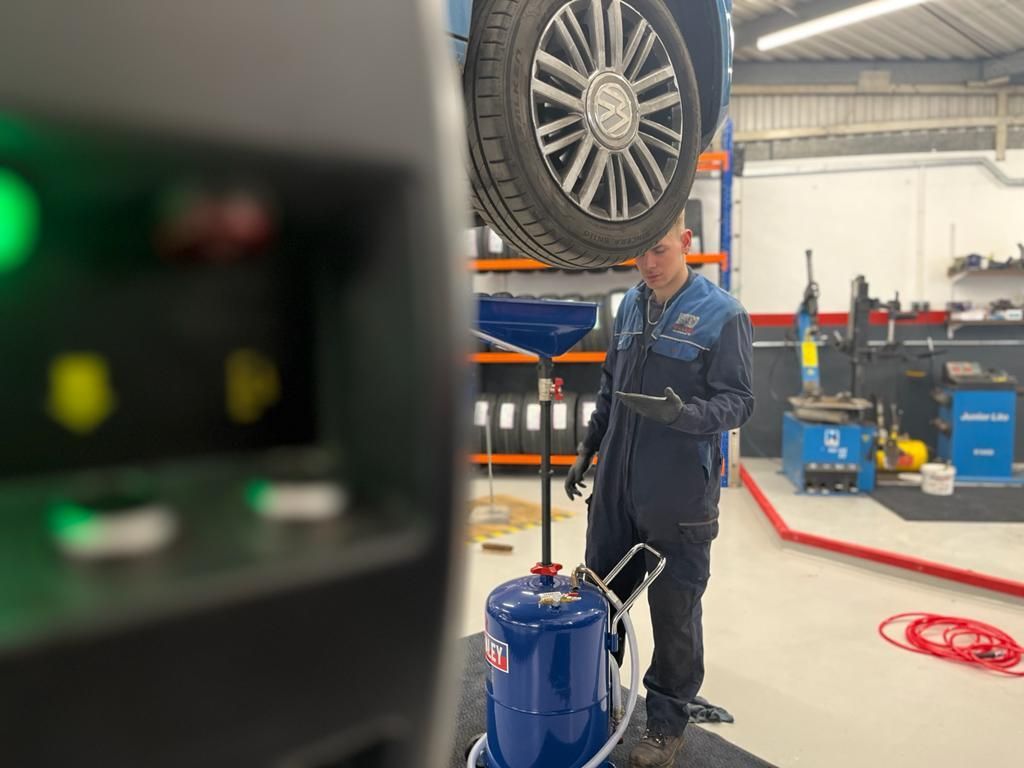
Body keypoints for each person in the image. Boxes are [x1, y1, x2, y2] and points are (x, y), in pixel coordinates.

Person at [565, 215, 754, 768]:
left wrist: (686, 415)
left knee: (674, 610)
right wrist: (590, 443)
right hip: (617, 485)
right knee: (601, 598)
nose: (649, 263)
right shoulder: (629, 305)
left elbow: (740, 400)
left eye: (660, 250)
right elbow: (609, 384)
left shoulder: (725, 314)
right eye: (639, 255)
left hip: (678, 494)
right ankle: (597, 700)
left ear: (686, 242)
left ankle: (665, 725)